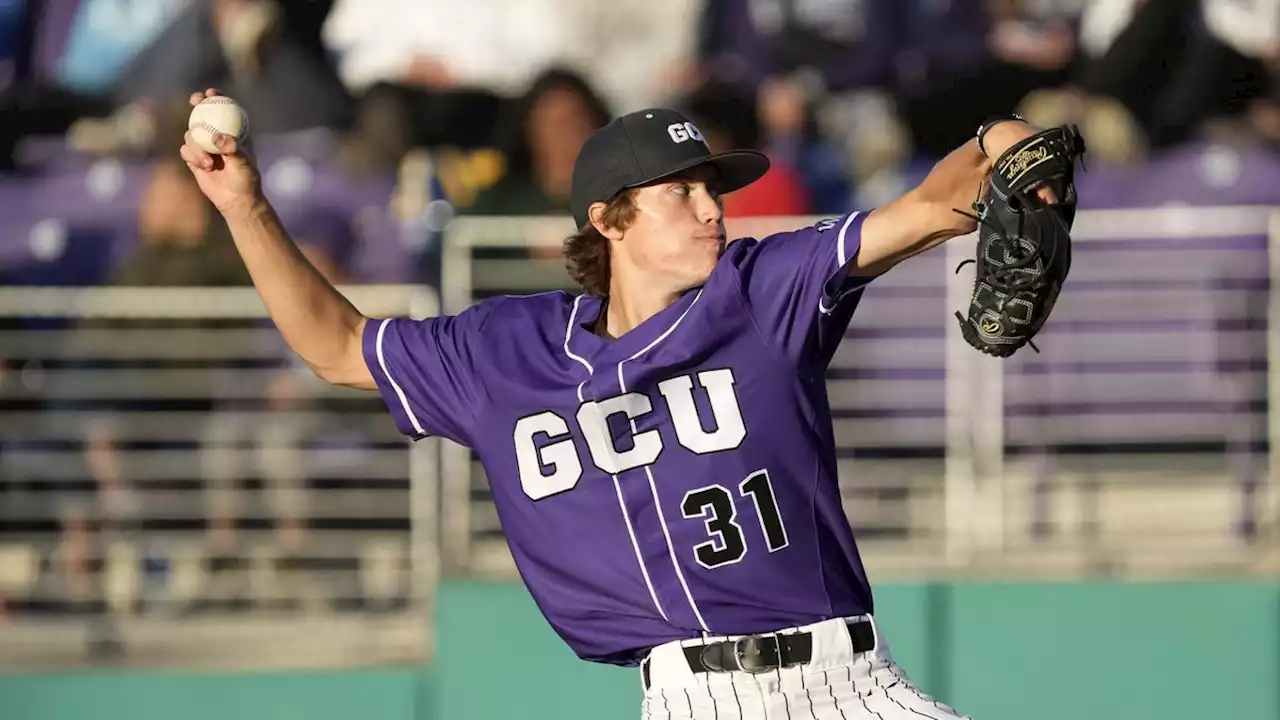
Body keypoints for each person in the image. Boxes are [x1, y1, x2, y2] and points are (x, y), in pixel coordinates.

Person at [179, 87, 1049, 719]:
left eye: (714, 188)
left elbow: (935, 203)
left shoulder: (761, 290)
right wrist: (244, 204)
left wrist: (1004, 136)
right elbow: (336, 346)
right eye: (682, 192)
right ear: (610, 220)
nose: (713, 210)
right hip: (687, 701)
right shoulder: (503, 353)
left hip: (851, 684)